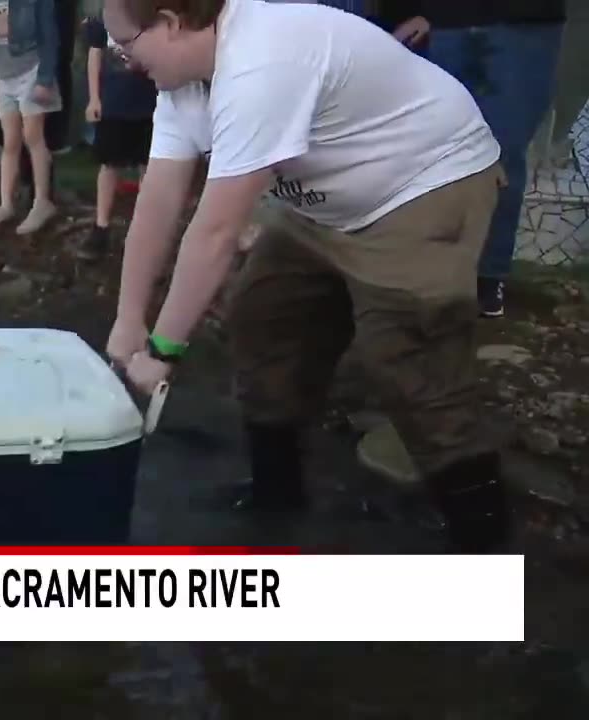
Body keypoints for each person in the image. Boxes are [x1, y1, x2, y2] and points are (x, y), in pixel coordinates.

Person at [101, 0, 510, 552]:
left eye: (125, 44)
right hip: (322, 205)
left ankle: (482, 540)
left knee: (407, 352)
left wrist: (163, 350)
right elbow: (159, 199)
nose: (120, 59)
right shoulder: (183, 82)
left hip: (422, 185)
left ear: (172, 22)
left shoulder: (262, 60)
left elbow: (217, 231)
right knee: (264, 316)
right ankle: (277, 494)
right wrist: (129, 321)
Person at [419, 1, 568, 317]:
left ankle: (486, 275)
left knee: (500, 153)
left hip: (524, 25)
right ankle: (433, 272)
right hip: (446, 22)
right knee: (436, 149)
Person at [0, 0, 61, 234]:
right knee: (10, 141)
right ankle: (6, 203)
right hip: (4, 76)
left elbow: (50, 36)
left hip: (32, 71)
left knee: (33, 136)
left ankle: (42, 202)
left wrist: (45, 78)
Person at [78, 11, 157, 260]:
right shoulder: (104, 15)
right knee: (109, 165)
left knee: (148, 167)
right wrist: (94, 98)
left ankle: (144, 230)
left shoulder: (152, 12)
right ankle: (101, 227)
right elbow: (95, 54)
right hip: (113, 102)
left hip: (149, 101)